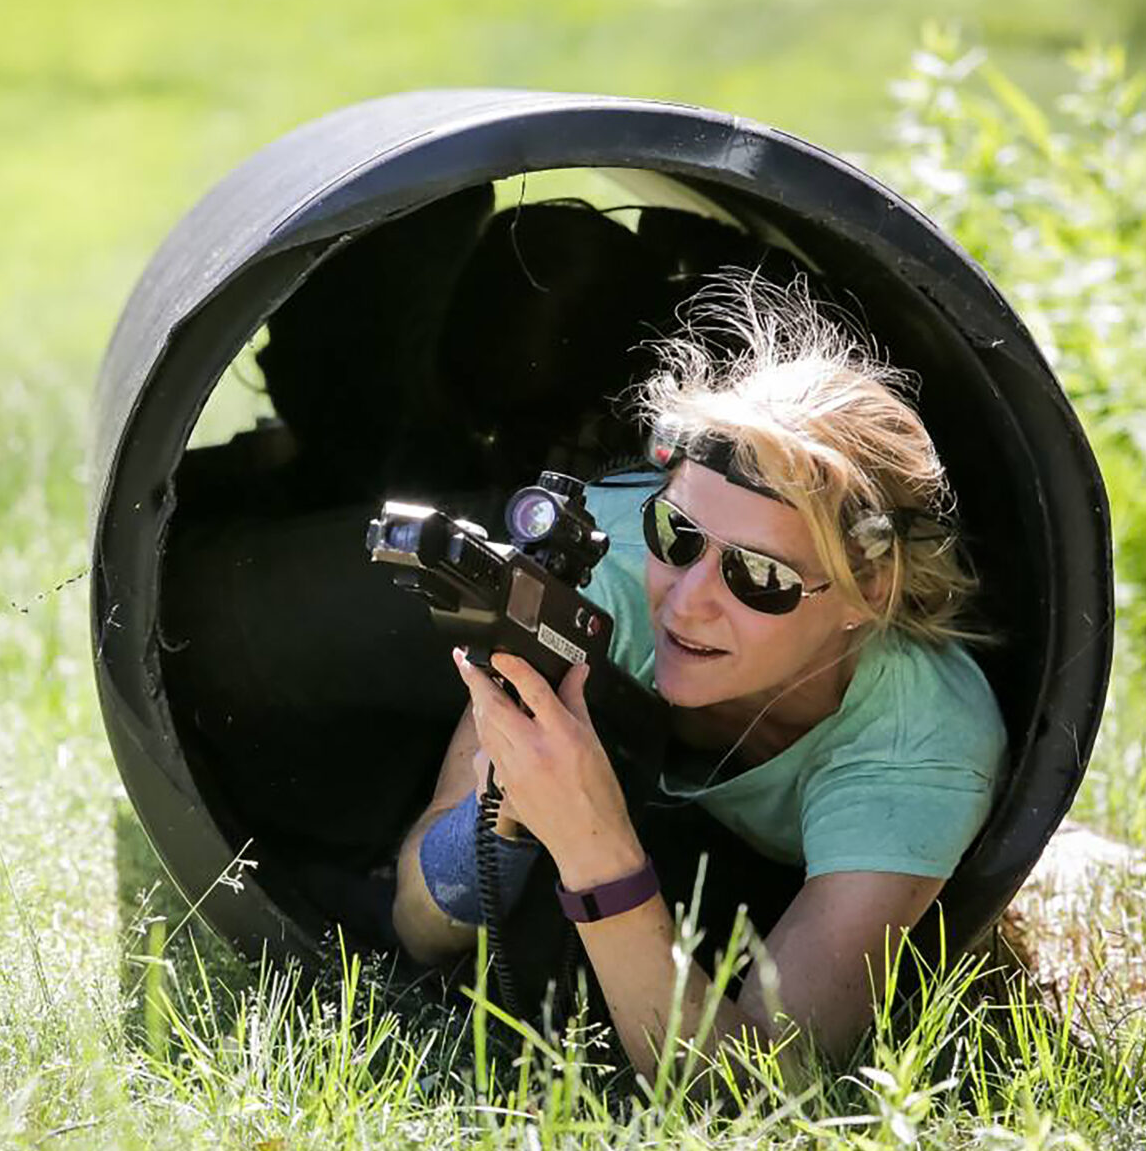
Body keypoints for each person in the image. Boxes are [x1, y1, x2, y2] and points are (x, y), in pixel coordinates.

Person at [389, 271, 1006, 1078]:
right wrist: (496, 817)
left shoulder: (919, 739)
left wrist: (594, 850)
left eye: (759, 576)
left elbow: (764, 1088)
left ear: (870, 591)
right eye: (677, 532)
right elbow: (416, 921)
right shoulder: (600, 568)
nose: (687, 601)